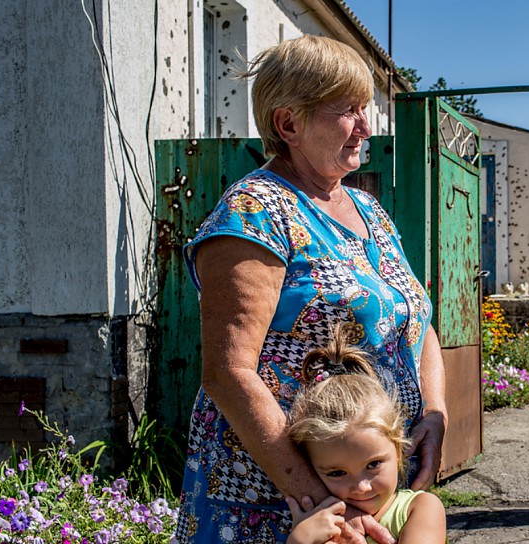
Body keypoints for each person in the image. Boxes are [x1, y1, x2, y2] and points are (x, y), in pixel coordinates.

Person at [173, 35, 447, 544]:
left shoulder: (370, 212)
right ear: (288, 124)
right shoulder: (254, 209)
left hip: (368, 485)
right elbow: (228, 373)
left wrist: (434, 413)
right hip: (278, 496)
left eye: (366, 108)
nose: (367, 125)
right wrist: (325, 505)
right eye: (348, 110)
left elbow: (416, 320)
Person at [284, 325, 447, 544]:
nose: (361, 487)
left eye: (373, 464)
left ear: (398, 446)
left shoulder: (421, 509)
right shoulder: (318, 524)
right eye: (337, 473)